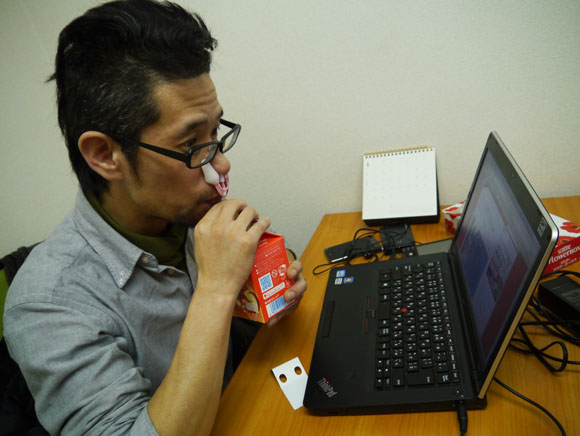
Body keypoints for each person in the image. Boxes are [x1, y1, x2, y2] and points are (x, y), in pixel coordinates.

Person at [2, 1, 307, 435]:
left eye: (215, 133)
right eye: (191, 145)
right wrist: (217, 290)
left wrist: (269, 285)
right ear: (105, 154)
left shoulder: (183, 213)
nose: (220, 167)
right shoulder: (49, 304)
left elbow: (259, 281)